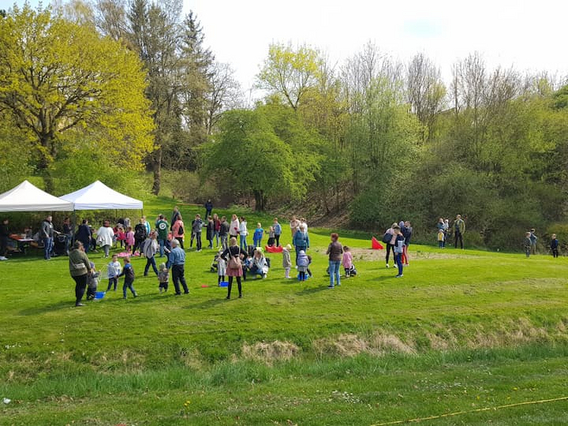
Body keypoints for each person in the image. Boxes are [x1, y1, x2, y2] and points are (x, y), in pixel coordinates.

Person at [68, 241, 92, 307]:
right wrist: (90, 270)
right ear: (80, 246)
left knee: (78, 284)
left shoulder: (71, 253)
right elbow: (87, 262)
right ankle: (78, 301)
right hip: (82, 272)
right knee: (82, 286)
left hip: (73, 273)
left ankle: (77, 297)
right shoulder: (82, 253)